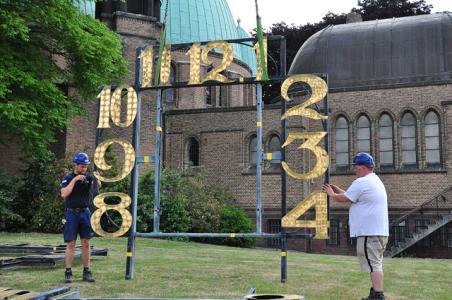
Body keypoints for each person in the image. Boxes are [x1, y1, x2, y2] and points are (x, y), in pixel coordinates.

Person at [322, 152, 389, 300]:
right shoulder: (374, 180)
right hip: (379, 231)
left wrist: (331, 194)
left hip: (370, 232)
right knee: (375, 263)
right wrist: (337, 190)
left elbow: (344, 199)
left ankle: (378, 295)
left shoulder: (362, 182)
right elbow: (352, 195)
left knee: (374, 264)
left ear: (363, 167)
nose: (354, 169)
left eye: (356, 166)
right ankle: (375, 292)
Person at [60, 152, 100, 283]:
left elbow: (97, 187)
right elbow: (64, 194)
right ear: (76, 165)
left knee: (86, 243)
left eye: (86, 166)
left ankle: (87, 271)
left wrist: (97, 180)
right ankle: (68, 272)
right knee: (71, 243)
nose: (84, 169)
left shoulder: (88, 178)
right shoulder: (68, 177)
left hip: (85, 213)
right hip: (71, 213)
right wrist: (75, 180)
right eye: (82, 166)